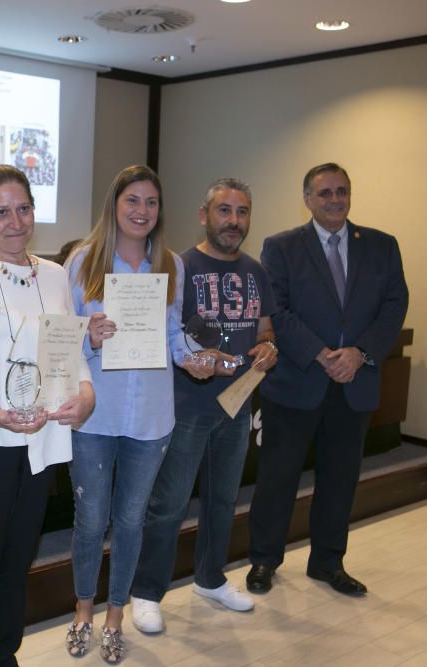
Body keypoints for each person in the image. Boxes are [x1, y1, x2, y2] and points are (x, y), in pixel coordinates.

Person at [0, 164, 95, 666]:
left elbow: (69, 354)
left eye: (23, 209)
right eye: (1, 212)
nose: (15, 221)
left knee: (16, 563)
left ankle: (4, 654)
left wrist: (85, 395)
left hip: (40, 444)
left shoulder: (53, 275)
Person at [63, 165, 205, 663]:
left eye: (151, 202)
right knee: (90, 520)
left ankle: (115, 615)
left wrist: (193, 357)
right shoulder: (83, 261)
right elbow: (62, 338)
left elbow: (172, 333)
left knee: (129, 521)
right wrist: (89, 335)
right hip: (95, 417)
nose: (142, 211)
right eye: (133, 201)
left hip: (150, 417)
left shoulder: (170, 263)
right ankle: (83, 610)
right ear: (114, 206)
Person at [246, 163, 408, 597]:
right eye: (325, 193)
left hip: (354, 382)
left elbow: (395, 305)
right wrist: (320, 353)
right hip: (297, 380)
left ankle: (327, 562)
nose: (335, 200)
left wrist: (360, 353)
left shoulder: (381, 246)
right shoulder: (281, 247)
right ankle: (264, 560)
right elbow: (275, 309)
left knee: (340, 478)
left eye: (342, 191)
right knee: (278, 477)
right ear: (308, 199)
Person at [130, 178, 279, 633]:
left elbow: (266, 329)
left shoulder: (256, 271)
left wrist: (269, 348)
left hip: (236, 407)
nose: (234, 221)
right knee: (169, 504)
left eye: (242, 212)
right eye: (224, 211)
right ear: (204, 214)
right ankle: (147, 591)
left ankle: (210, 579)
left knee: (222, 499)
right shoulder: (178, 266)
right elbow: (160, 335)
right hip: (185, 407)